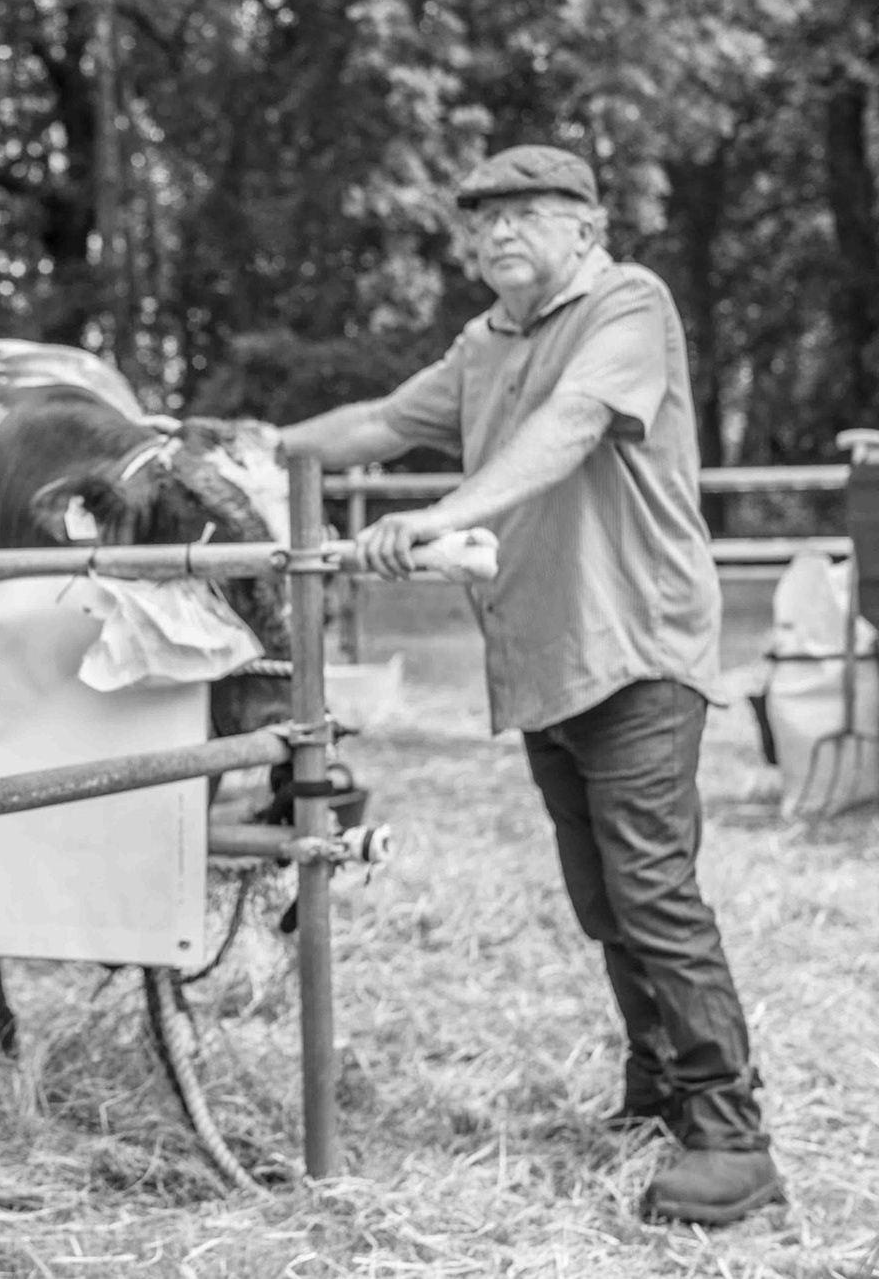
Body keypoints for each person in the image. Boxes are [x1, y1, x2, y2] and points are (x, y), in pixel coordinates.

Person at [280, 144, 781, 1225]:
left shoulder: (626, 306)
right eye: (482, 219)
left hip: (637, 641)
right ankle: (659, 1087)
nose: (498, 231)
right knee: (604, 896)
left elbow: (576, 424)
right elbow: (376, 423)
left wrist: (448, 512)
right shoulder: (486, 339)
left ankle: (734, 1134)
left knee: (651, 885)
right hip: (550, 655)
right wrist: (247, 448)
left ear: (586, 228)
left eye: (528, 212)